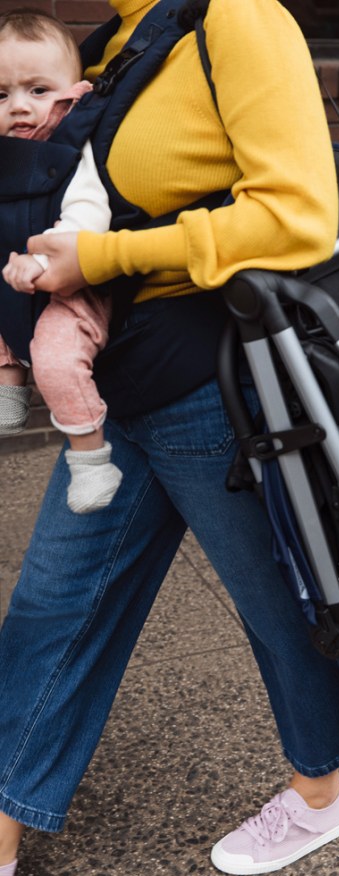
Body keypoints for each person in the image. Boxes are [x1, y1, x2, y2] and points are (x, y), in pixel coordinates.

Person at [0, 0, 339, 876]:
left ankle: (319, 793)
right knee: (52, 607)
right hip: (115, 388)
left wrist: (99, 262)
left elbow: (297, 213)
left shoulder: (239, 19)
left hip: (208, 389)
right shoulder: (114, 41)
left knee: (279, 608)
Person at [0, 9, 122, 515]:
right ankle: (10, 386)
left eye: (38, 90)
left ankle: (91, 457)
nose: (19, 107)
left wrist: (42, 254)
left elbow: (88, 211)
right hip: (14, 282)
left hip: (72, 288)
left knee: (54, 355)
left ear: (73, 95)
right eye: (1, 95)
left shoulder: (74, 148)